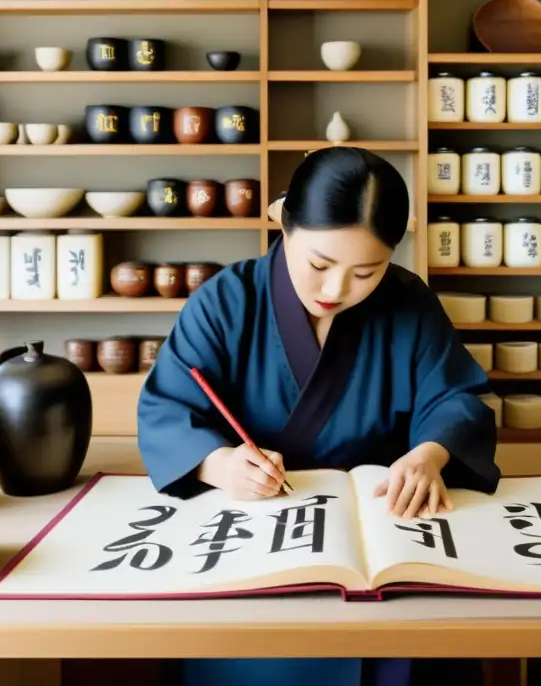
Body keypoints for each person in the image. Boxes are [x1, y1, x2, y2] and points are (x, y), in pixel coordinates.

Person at [136, 145, 501, 686]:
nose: (335, 290)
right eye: (319, 265)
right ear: (284, 224)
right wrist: (219, 465)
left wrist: (429, 454)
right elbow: (166, 408)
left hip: (385, 536)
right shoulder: (226, 302)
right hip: (255, 536)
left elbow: (455, 398)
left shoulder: (408, 302)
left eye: (366, 272)